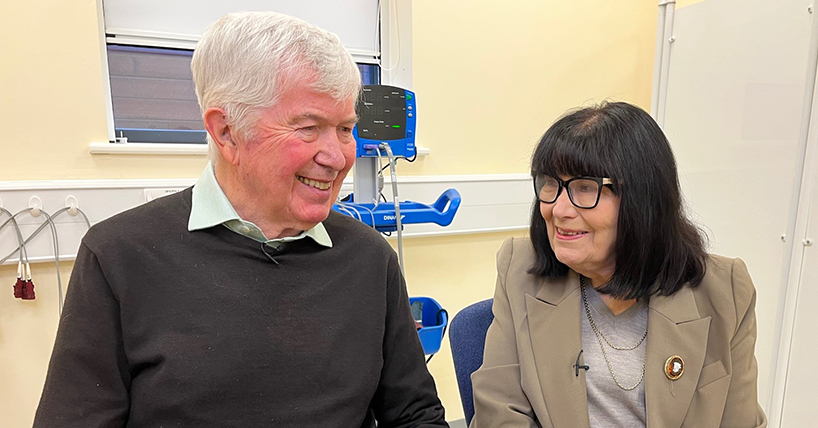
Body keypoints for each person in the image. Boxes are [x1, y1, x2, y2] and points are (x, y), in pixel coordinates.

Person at [34, 12, 447, 428]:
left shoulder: (370, 260)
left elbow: (415, 416)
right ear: (227, 131)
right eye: (308, 128)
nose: (337, 157)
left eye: (344, 128)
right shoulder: (118, 257)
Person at [470, 102, 766, 428]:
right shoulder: (519, 269)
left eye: (586, 188)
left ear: (642, 198)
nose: (559, 209)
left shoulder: (725, 291)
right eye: (550, 183)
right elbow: (498, 414)